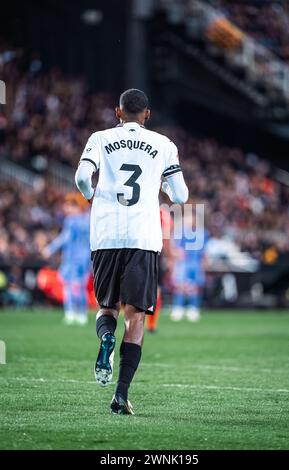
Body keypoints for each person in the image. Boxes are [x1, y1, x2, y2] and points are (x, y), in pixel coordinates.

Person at [75, 88, 188, 415]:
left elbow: (82, 176)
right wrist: (164, 186)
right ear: (147, 115)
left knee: (106, 307)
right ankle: (121, 395)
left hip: (106, 235)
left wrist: (90, 196)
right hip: (142, 236)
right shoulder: (164, 145)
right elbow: (180, 195)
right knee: (136, 317)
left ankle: (106, 338)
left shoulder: (99, 138)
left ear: (117, 112)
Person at [43, 193, 91, 325]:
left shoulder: (71, 220)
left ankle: (70, 313)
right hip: (85, 258)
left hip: (72, 258)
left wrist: (50, 249)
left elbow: (65, 237)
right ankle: (82, 314)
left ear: (77, 206)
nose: (66, 208)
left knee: (69, 286)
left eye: (69, 205)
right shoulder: (88, 219)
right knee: (81, 286)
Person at [171, 214, 209, 322]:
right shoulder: (180, 233)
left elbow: (204, 252)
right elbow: (175, 248)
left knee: (195, 287)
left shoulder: (202, 233)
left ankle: (193, 308)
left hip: (196, 263)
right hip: (183, 263)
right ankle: (178, 308)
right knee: (181, 286)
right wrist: (175, 262)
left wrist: (204, 265)